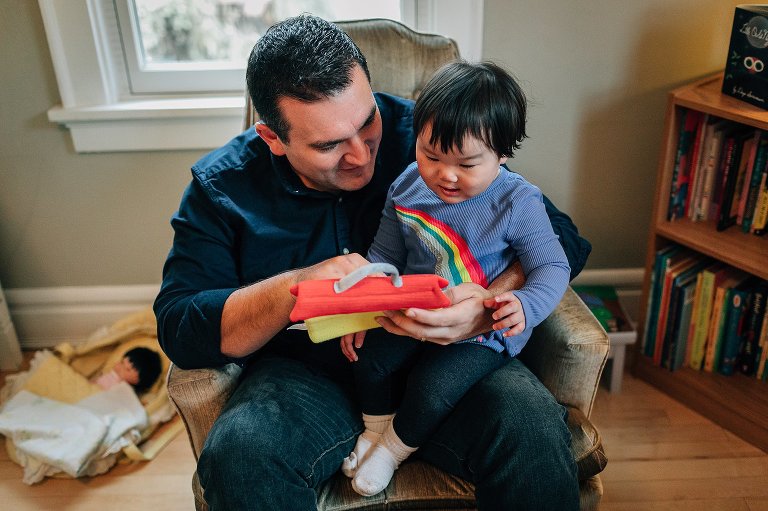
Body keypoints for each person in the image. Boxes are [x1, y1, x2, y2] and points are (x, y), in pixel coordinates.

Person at [154, 14, 591, 511]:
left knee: (531, 428)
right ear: (273, 138)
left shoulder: (429, 136)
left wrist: (486, 302)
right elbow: (181, 326)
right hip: (306, 376)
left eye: (366, 123)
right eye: (328, 144)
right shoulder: (221, 189)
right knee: (241, 454)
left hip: (451, 356)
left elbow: (561, 236)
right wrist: (296, 286)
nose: (361, 156)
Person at [338, 61, 571, 497]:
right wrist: (358, 309)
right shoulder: (406, 185)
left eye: (466, 164)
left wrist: (524, 305)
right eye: (431, 155)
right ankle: (374, 428)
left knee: (432, 387)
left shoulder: (518, 202)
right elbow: (385, 255)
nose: (445, 175)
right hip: (410, 310)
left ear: (502, 153)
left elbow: (552, 266)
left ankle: (391, 450)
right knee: (370, 361)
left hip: (480, 333)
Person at [91, 346, 162, 394]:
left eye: (127, 369)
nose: (120, 367)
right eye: (122, 362)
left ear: (137, 382)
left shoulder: (125, 389)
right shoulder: (111, 373)